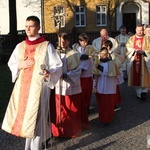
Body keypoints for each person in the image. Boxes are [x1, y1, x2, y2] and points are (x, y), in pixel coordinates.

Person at [1, 16, 63, 150]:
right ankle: (28, 147)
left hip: (40, 87)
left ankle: (37, 146)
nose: (28, 29)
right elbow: (12, 63)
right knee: (27, 119)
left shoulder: (46, 46)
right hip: (22, 88)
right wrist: (20, 65)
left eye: (31, 26)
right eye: (26, 26)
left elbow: (57, 65)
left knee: (38, 120)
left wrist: (49, 72)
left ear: (38, 27)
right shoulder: (20, 46)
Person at [51, 32, 89, 138]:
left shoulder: (74, 54)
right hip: (57, 85)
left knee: (71, 107)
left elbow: (78, 70)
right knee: (59, 108)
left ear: (68, 41)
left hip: (69, 85)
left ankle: (71, 130)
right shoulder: (54, 53)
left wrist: (66, 75)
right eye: (60, 40)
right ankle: (58, 130)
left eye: (65, 40)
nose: (63, 42)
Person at [94, 47, 122, 126]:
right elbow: (94, 73)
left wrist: (98, 67)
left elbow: (108, 72)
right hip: (99, 86)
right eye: (102, 54)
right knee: (101, 105)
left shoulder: (111, 63)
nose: (103, 56)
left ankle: (106, 120)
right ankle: (102, 118)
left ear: (108, 55)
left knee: (107, 105)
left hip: (108, 88)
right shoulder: (97, 62)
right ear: (99, 54)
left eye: (105, 54)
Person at [126, 24, 150, 100]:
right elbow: (128, 47)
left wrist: (144, 51)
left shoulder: (147, 38)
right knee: (135, 76)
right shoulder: (131, 38)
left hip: (144, 61)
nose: (140, 32)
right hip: (135, 59)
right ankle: (139, 93)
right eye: (138, 30)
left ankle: (145, 91)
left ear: (143, 30)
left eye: (141, 30)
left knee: (145, 76)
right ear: (136, 30)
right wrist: (135, 50)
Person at [72, 33, 95, 112]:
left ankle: (87, 107)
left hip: (88, 74)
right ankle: (81, 107)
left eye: (87, 41)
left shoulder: (90, 48)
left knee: (88, 93)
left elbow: (94, 55)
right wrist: (85, 57)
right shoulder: (76, 49)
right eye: (84, 42)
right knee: (81, 92)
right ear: (80, 41)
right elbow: (77, 57)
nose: (86, 43)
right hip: (80, 75)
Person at [102, 40, 124, 107]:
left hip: (112, 73)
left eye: (104, 45)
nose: (102, 46)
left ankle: (114, 102)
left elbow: (116, 63)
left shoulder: (112, 54)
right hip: (106, 73)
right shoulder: (104, 53)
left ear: (108, 47)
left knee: (113, 88)